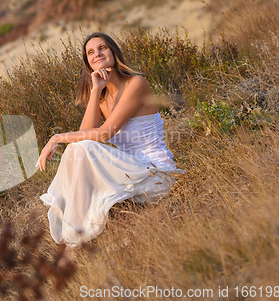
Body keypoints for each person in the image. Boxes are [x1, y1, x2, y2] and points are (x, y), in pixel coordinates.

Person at [36, 32, 184, 248]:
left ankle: (74, 240)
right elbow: (83, 141)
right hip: (129, 173)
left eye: (102, 48)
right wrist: (96, 90)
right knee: (75, 151)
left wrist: (57, 137)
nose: (97, 54)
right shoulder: (102, 96)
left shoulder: (136, 83)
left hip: (156, 175)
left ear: (114, 51)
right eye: (90, 52)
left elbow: (104, 134)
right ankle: (76, 236)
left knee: (80, 148)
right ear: (88, 63)